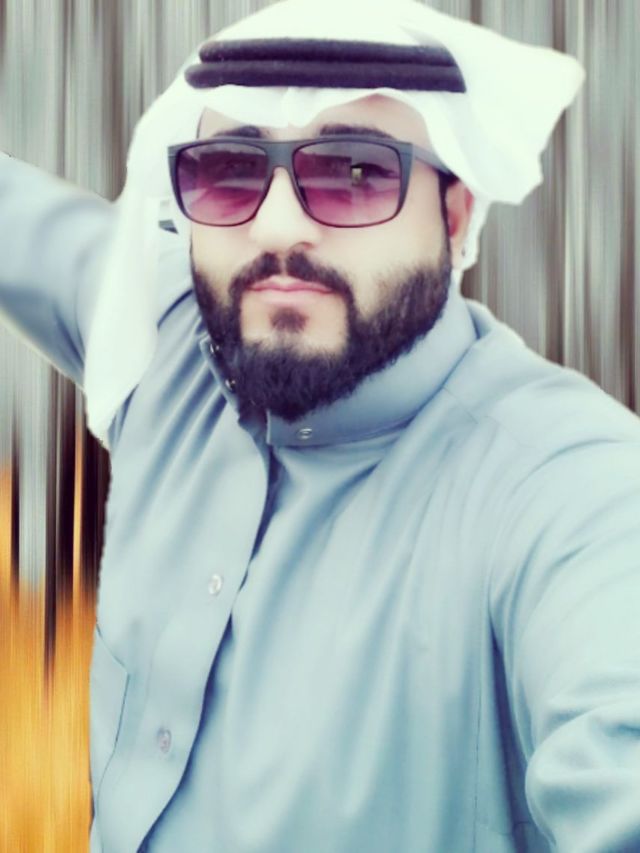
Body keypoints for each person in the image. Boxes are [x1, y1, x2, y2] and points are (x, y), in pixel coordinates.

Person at [1, 1, 639, 851]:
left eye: (353, 173)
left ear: (454, 215)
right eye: (229, 172)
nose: (276, 227)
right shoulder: (161, 337)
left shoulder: (569, 487)